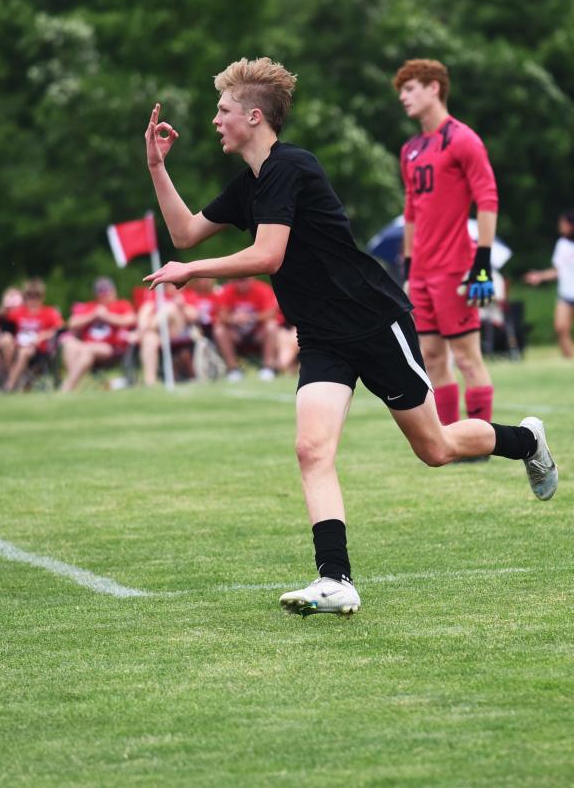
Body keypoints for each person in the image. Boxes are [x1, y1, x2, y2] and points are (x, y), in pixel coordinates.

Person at [143, 57, 558, 617]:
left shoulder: (294, 167)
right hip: (322, 337)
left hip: (372, 321)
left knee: (434, 449)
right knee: (311, 449)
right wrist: (155, 166)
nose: (215, 120)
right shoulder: (250, 185)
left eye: (223, 110)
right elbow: (185, 232)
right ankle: (335, 580)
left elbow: (268, 255)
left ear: (255, 116)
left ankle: (526, 441)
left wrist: (193, 271)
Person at [394, 59, 499, 444]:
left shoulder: (463, 139)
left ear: (434, 88)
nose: (403, 97)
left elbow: (487, 199)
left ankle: (483, 441)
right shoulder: (410, 149)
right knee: (433, 358)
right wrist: (407, 268)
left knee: (469, 357)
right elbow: (411, 212)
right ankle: (453, 440)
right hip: (420, 272)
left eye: (410, 89)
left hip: (457, 268)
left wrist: (482, 264)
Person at [59, 277, 136, 392]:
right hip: (86, 347)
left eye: (107, 292)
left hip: (110, 349)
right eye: (101, 292)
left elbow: (131, 320)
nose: (104, 295)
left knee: (86, 350)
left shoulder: (122, 305)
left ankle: (66, 388)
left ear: (114, 291)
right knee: (69, 344)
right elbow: (71, 323)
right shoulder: (91, 306)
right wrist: (93, 316)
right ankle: (72, 384)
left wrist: (107, 316)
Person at [0, 278, 63, 392]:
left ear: (42, 297)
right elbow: (0, 321)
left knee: (25, 351)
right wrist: (6, 303)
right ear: (24, 297)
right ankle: (12, 379)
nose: (33, 299)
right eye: (29, 296)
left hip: (38, 351)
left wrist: (42, 336)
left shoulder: (49, 312)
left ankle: (9, 386)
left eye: (36, 296)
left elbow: (60, 328)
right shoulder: (19, 312)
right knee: (5, 340)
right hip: (16, 348)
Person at [523, 210, 574, 358]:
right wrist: (539, 276)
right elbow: (558, 270)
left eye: (563, 224)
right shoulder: (562, 244)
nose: (561, 227)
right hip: (565, 293)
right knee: (560, 327)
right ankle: (569, 360)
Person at [213, 276, 281, 381]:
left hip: (258, 332)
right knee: (219, 330)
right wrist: (234, 319)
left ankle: (268, 368)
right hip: (236, 333)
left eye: (244, 280)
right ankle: (233, 369)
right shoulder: (226, 291)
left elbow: (271, 313)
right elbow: (221, 315)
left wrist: (252, 317)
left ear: (252, 279)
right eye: (238, 280)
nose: (241, 284)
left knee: (271, 326)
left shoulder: (263, 289)